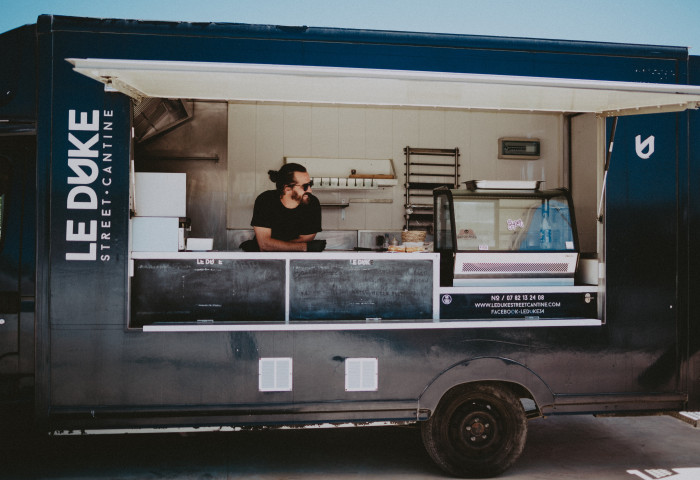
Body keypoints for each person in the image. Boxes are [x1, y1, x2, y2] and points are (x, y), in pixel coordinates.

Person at [242, 163, 325, 252]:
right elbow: (264, 245)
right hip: (264, 259)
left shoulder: (312, 203)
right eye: (305, 186)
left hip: (296, 258)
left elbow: (305, 239)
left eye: (310, 184)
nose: (310, 190)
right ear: (287, 188)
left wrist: (273, 245)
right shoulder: (265, 200)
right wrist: (304, 247)